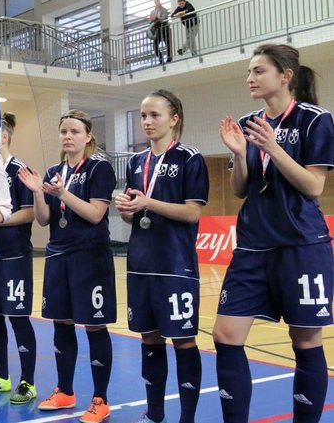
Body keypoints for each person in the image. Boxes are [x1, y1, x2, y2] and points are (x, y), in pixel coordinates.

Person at [215, 44, 333, 423]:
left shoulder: (316, 120)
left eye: (258, 71)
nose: (250, 78)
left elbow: (313, 186)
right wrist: (237, 154)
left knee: (305, 341)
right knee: (225, 335)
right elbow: (240, 189)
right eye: (249, 72)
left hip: (301, 246)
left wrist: (274, 147)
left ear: (285, 76)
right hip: (252, 246)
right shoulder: (249, 123)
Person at [15, 109, 116, 421]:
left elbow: (95, 214)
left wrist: (62, 192)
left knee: (94, 325)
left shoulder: (100, 168)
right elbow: (44, 220)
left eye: (74, 131)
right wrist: (38, 192)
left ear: (88, 136)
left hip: (91, 258)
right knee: (61, 323)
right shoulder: (53, 172)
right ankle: (65, 391)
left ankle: (100, 399)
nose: (68, 137)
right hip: (58, 256)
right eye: (63, 132)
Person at [114, 90, 208, 423]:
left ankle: (187, 418)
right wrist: (127, 210)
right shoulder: (137, 161)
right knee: (148, 337)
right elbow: (135, 213)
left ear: (174, 119)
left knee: (183, 339)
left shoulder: (189, 158)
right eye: (143, 116)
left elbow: (193, 213)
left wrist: (147, 203)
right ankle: (155, 412)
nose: (147, 122)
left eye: (155, 115)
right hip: (140, 264)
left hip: (174, 264)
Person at [0, 112, 40, 407]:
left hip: (14, 255)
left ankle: (28, 381)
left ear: (3, 137)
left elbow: (29, 213)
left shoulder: (19, 170)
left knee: (17, 317)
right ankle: (1, 376)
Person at [149, 0, 171, 64]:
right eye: (156, 1)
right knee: (155, 46)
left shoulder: (164, 9)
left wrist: (157, 18)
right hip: (157, 30)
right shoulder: (152, 11)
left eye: (158, 1)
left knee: (167, 44)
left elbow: (165, 17)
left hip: (164, 28)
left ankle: (169, 58)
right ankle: (161, 59)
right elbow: (151, 20)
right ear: (154, 3)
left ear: (160, 1)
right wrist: (152, 20)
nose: (157, 2)